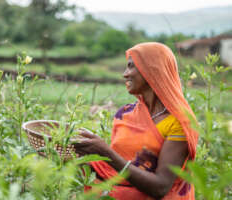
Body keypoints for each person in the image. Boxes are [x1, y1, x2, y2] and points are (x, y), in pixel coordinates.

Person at [74, 42, 199, 200]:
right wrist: (77, 157)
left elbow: (160, 187)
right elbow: (114, 170)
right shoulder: (125, 114)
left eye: (132, 66)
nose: (125, 74)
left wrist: (104, 151)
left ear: (152, 69)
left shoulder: (179, 122)